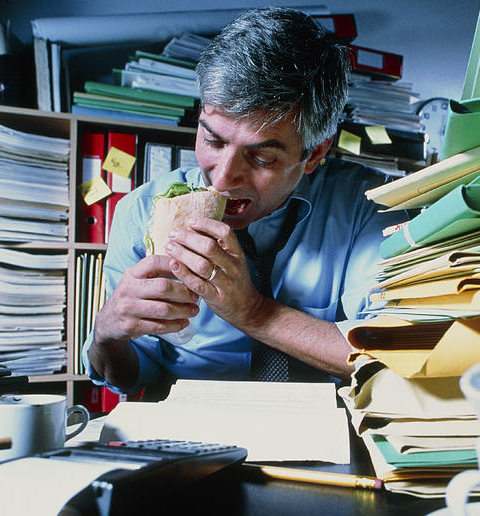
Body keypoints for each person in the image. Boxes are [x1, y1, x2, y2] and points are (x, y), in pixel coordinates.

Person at [84, 6, 407, 396]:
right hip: (188, 432)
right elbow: (134, 375)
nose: (222, 177)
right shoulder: (138, 212)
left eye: (261, 158)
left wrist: (252, 311)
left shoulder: (371, 206)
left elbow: (391, 354)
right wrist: (106, 335)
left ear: (315, 153)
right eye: (213, 141)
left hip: (329, 431)